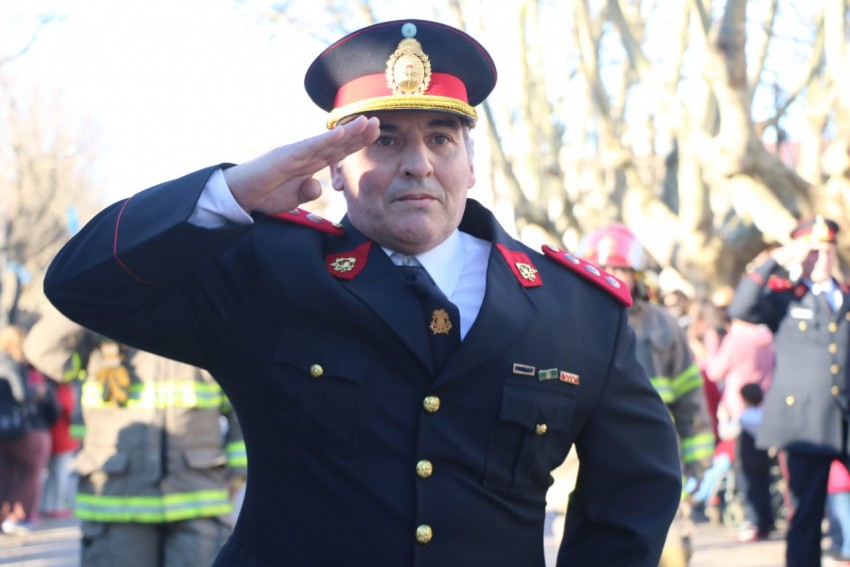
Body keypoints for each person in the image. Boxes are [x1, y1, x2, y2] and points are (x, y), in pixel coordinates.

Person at [41, 19, 682, 566]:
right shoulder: (269, 270)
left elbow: (636, 486)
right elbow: (81, 284)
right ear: (335, 169)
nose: (417, 163)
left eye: (441, 138)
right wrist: (232, 192)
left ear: (471, 164)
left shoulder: (576, 310)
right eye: (385, 140)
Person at [23, 305, 247, 566]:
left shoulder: (205, 327)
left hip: (198, 501)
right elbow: (41, 350)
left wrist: (239, 469)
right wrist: (90, 294)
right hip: (117, 504)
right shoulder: (99, 328)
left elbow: (244, 405)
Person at [578, 222, 715, 567]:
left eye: (622, 269)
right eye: (605, 267)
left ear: (637, 274)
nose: (613, 275)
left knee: (672, 555)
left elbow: (690, 399)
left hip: (658, 466)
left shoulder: (663, 325)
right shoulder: (572, 320)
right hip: (590, 472)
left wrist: (698, 464)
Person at [728, 216, 850, 567]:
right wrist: (774, 260)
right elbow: (741, 308)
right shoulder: (785, 296)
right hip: (804, 424)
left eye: (827, 250)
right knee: (806, 516)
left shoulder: (845, 296)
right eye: (813, 251)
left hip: (845, 418)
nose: (821, 258)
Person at [0, 325, 57, 534]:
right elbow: (22, 395)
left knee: (6, 472)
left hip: (5, 428)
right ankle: (19, 517)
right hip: (18, 426)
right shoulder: (13, 364)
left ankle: (6, 516)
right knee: (31, 470)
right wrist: (38, 392)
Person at [734, 382, 776, 542]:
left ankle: (754, 525)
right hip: (763, 460)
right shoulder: (763, 416)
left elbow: (726, 432)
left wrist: (724, 417)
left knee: (750, 493)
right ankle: (766, 524)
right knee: (764, 491)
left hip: (745, 462)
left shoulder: (743, 417)